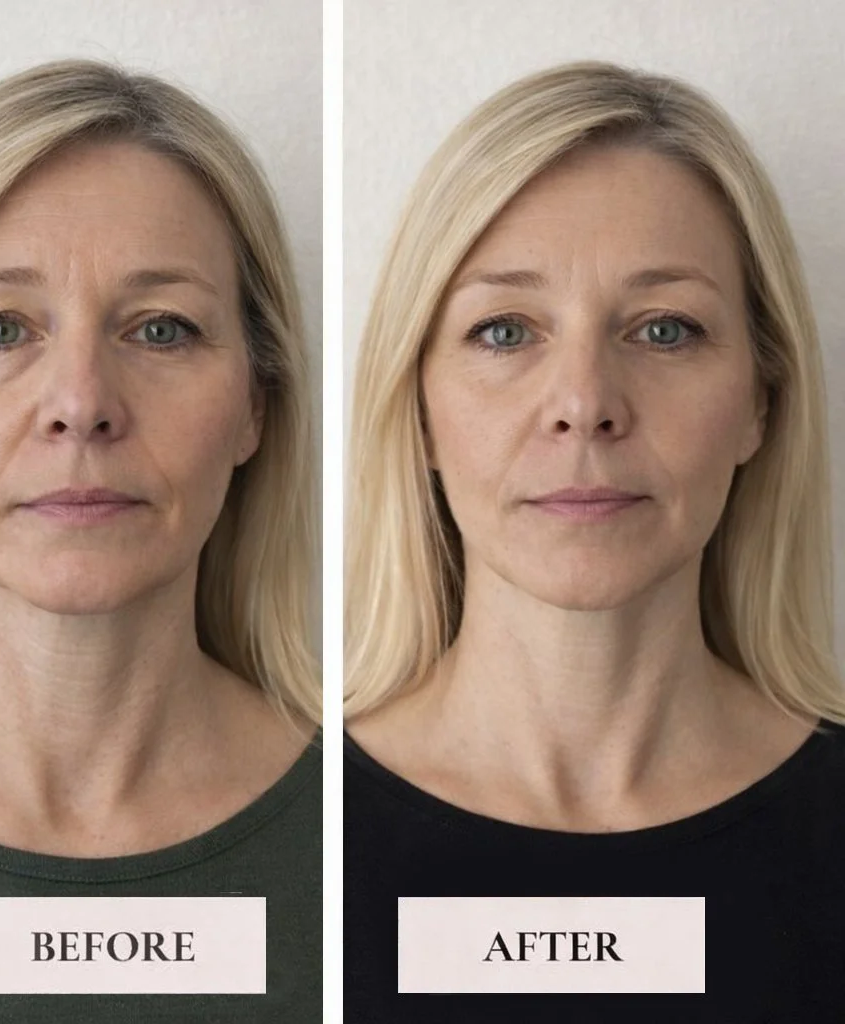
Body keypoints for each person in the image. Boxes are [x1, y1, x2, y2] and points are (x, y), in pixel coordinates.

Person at [344, 60, 845, 1022]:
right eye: (503, 332)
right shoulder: (287, 846)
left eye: (664, 330)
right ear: (418, 411)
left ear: (760, 407)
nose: (584, 404)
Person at [0, 59, 320, 1022]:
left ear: (256, 405)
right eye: (1, 328)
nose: (82, 404)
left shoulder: (377, 841)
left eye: (163, 329)